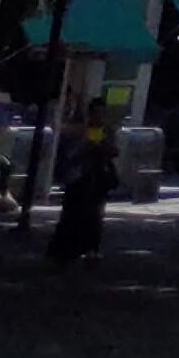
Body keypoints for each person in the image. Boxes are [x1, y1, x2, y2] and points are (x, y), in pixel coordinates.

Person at [46, 98, 118, 266]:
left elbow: (114, 151)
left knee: (95, 215)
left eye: (102, 113)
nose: (99, 117)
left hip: (98, 177)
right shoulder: (78, 131)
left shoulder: (107, 131)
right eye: (96, 113)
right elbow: (70, 154)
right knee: (72, 213)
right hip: (78, 176)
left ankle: (91, 249)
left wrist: (103, 148)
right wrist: (86, 148)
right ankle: (65, 249)